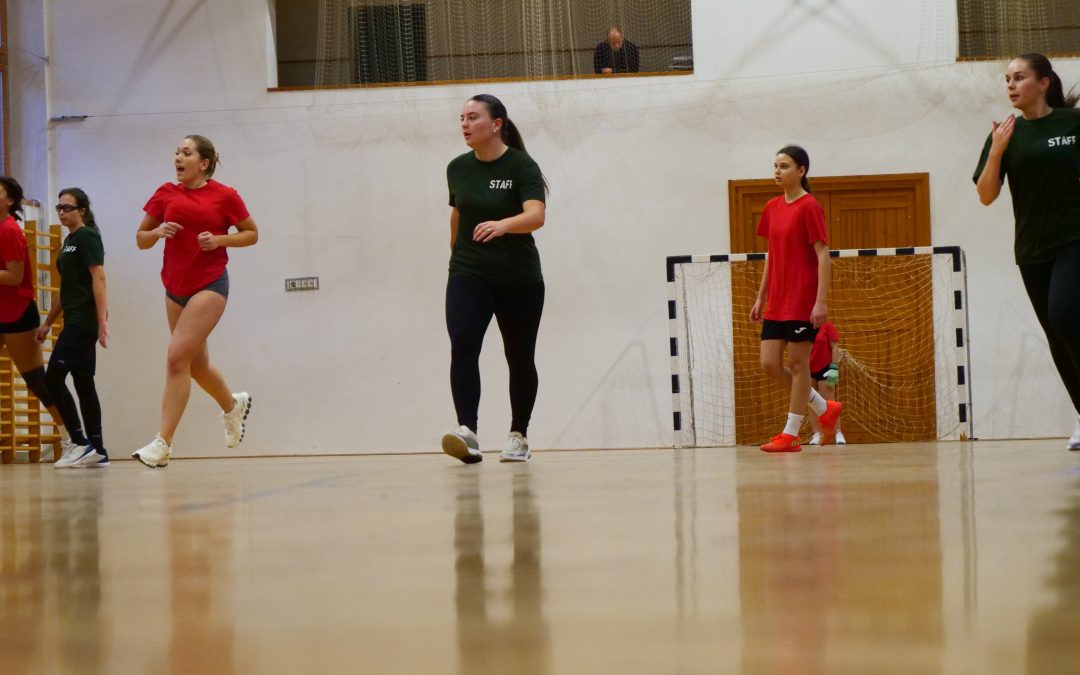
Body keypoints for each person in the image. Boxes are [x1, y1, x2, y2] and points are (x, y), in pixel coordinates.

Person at [974, 53, 1080, 452]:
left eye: (1019, 77)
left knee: (1065, 315)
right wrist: (997, 151)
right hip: (1032, 248)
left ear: (1043, 83)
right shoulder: (1005, 134)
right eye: (1007, 79)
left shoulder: (1072, 124)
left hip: (1074, 239)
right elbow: (986, 195)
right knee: (1056, 334)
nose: (1011, 85)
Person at [133, 135, 258, 468]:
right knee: (197, 366)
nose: (178, 157)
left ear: (203, 163)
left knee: (176, 359)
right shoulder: (165, 193)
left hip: (210, 285)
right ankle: (232, 406)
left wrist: (218, 240)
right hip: (175, 288)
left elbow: (251, 233)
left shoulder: (225, 196)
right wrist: (157, 232)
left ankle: (163, 443)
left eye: (186, 153)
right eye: (176, 152)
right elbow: (141, 239)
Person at [441, 94, 547, 464]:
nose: (465, 124)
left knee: (519, 356)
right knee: (463, 344)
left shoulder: (522, 166)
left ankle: (519, 435)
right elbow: (458, 213)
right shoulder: (457, 168)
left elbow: (536, 215)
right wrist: (456, 255)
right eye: (462, 118)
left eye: (473, 117)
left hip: (519, 278)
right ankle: (467, 432)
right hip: (469, 273)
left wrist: (503, 225)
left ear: (496, 124)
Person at [750, 146, 843, 453]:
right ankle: (823, 407)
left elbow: (823, 254)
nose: (777, 171)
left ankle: (790, 434)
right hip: (777, 300)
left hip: (802, 299)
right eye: (775, 165)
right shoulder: (772, 207)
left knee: (798, 364)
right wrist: (761, 298)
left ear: (801, 171)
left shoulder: (810, 207)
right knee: (769, 364)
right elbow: (772, 256)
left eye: (784, 166)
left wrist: (820, 301)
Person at [0, 176, 87, 462]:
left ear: (9, 200)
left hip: (16, 314)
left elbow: (14, 277)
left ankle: (72, 439)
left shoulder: (9, 230)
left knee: (37, 381)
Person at [36, 188, 110, 466]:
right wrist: (47, 323)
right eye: (59, 207)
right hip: (74, 317)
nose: (61, 212)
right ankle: (98, 450)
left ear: (82, 211)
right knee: (83, 382)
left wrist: (101, 321)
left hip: (84, 320)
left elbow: (99, 277)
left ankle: (80, 442)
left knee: (52, 379)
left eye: (67, 207)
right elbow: (65, 288)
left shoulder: (87, 236)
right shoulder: (69, 240)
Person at [806, 321, 845, 445]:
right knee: (811, 401)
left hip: (826, 368)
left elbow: (835, 347)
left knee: (830, 401)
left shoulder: (827, 326)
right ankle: (817, 433)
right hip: (807, 368)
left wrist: (834, 368)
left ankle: (838, 432)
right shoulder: (803, 326)